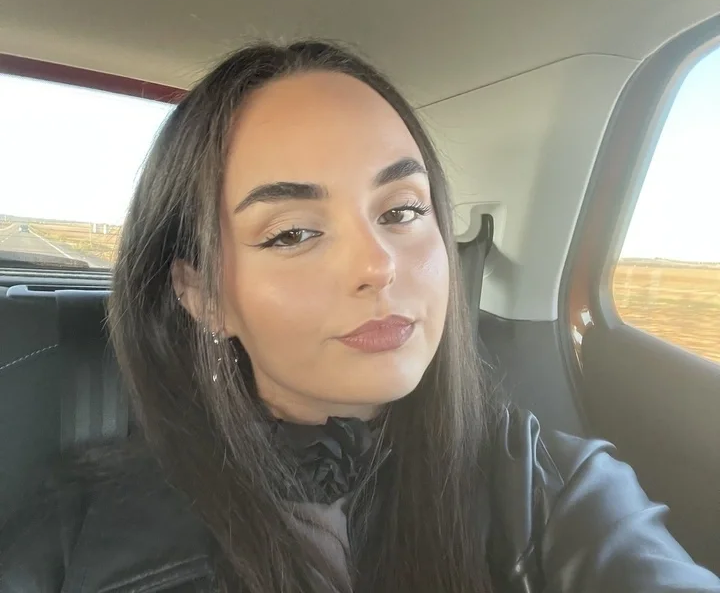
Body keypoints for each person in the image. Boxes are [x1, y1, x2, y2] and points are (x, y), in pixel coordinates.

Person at [1, 41, 718, 593]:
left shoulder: (552, 488)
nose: (379, 265)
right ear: (203, 295)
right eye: (293, 232)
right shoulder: (78, 538)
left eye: (402, 211)